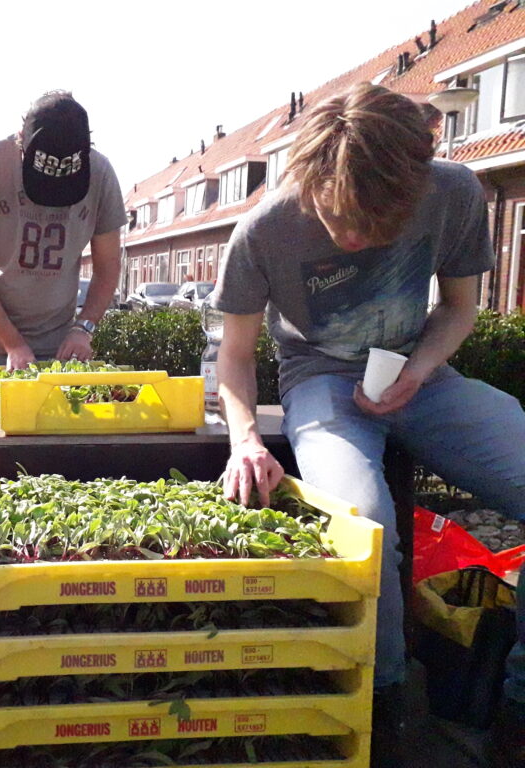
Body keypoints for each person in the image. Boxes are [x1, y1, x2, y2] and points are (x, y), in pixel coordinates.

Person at [208, 83, 525, 768]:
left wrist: (421, 366)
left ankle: (517, 706)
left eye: (371, 224)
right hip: (320, 384)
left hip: (421, 375)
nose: (351, 236)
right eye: (336, 218)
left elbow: (461, 309)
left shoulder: (456, 192)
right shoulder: (263, 229)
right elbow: (233, 357)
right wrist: (245, 440)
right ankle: (381, 708)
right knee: (363, 521)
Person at [0, 90, 126, 380]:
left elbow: (108, 267)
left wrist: (83, 329)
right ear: (21, 142)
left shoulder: (101, 174)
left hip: (58, 348)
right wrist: (12, 342)